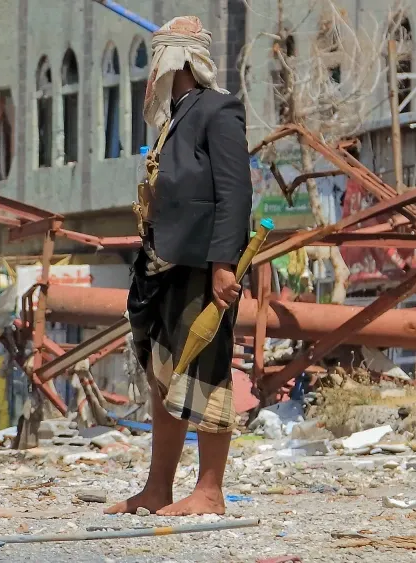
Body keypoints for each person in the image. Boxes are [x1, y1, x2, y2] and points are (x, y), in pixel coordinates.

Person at [106, 15, 253, 517]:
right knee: (162, 373)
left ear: (183, 59)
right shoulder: (175, 118)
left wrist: (223, 265)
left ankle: (209, 492)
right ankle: (157, 488)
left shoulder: (219, 109)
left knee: (205, 370)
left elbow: (234, 194)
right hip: (161, 264)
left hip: (200, 265)